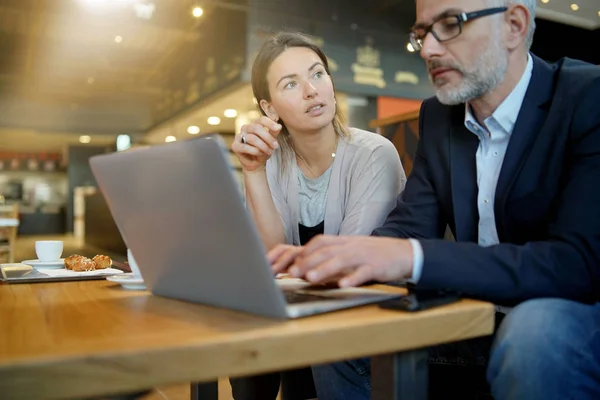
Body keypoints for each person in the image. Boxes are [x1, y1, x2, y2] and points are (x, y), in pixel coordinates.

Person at [268, 0, 600, 399]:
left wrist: (408, 257)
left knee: (535, 333)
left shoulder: (587, 96)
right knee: (339, 332)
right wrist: (343, 258)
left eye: (450, 24)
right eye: (422, 33)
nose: (427, 49)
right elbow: (410, 224)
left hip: (571, 313)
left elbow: (576, 264)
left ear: (514, 25)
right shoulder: (440, 116)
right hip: (474, 316)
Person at [229, 32, 406, 400]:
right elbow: (270, 257)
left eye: (317, 74)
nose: (312, 90)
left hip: (364, 309)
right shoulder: (271, 161)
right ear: (269, 108)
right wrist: (253, 172)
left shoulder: (373, 154)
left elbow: (349, 263)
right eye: (290, 84)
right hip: (302, 309)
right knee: (244, 336)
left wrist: (285, 266)